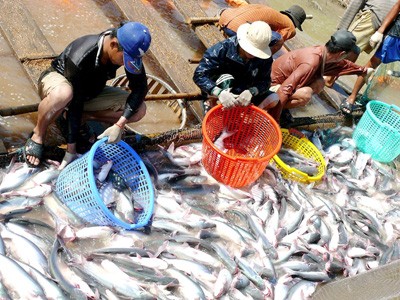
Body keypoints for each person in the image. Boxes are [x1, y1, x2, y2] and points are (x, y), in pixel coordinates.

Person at [23, 21, 151, 169]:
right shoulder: (82, 55)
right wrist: (71, 150)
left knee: (139, 110)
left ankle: (86, 117)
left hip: (91, 92)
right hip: (60, 84)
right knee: (64, 94)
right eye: (125, 59)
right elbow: (76, 103)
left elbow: (141, 88)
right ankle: (38, 134)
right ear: (113, 44)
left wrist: (119, 124)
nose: (126, 64)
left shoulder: (129, 50)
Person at [268, 29, 373, 122]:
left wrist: (363, 70)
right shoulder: (311, 62)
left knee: (320, 83)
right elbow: (284, 90)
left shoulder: (322, 52)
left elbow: (342, 65)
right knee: (305, 95)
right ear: (341, 54)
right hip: (269, 87)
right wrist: (274, 120)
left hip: (282, 83)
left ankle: (282, 108)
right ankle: (273, 110)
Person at [193, 21, 279, 112]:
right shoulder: (222, 49)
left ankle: (244, 113)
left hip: (243, 91)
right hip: (221, 88)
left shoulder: (264, 59)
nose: (252, 54)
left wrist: (252, 91)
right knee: (227, 79)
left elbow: (265, 81)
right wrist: (219, 92)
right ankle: (212, 105)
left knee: (273, 98)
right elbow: (199, 75)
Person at [341, 0, 400, 114]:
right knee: (373, 64)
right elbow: (397, 6)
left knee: (391, 75)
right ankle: (352, 98)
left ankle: (368, 99)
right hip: (396, 36)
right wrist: (380, 31)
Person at [325, 0, 397, 86]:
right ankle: (330, 77)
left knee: (350, 47)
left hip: (378, 18)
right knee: (353, 48)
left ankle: (329, 77)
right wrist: (343, 27)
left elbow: (357, 2)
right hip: (381, 19)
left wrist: (342, 28)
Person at [218, 4, 307, 54]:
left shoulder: (275, 13)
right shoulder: (291, 27)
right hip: (236, 29)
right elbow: (278, 40)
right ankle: (262, 61)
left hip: (224, 18)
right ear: (297, 23)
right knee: (279, 41)